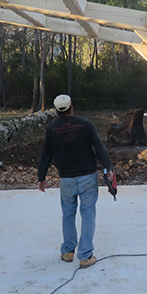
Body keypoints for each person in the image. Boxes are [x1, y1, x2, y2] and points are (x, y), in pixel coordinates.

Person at [38, 94, 112, 269]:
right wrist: (108, 169)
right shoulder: (85, 124)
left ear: (56, 111)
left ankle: (68, 251)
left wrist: (41, 178)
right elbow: (99, 148)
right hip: (87, 177)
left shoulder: (52, 128)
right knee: (87, 215)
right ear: (72, 106)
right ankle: (85, 256)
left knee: (68, 214)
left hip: (66, 179)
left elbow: (46, 155)